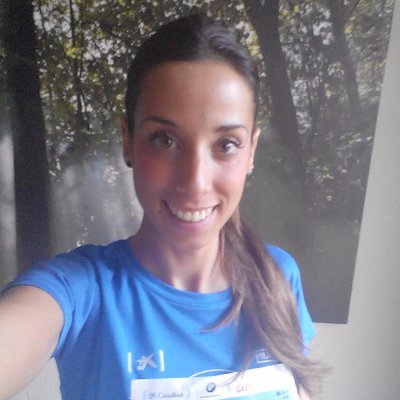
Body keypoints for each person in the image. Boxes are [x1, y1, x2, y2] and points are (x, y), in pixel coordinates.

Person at [0, 14, 321, 400]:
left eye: (226, 144)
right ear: (128, 140)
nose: (196, 182)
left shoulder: (278, 275)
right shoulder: (82, 291)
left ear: (251, 150)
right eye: (165, 140)